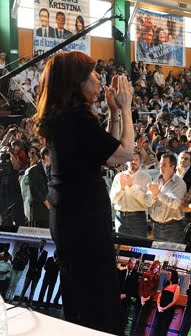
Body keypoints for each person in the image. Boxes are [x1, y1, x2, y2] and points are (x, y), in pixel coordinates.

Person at [32, 52, 134, 334]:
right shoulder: (76, 118)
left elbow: (103, 153)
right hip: (83, 222)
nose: (99, 78)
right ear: (76, 83)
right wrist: (126, 108)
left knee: (80, 298)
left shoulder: (66, 116)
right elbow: (123, 153)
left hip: (70, 219)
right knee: (97, 303)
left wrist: (113, 113)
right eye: (92, 75)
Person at [145, 153, 187, 243]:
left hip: (173, 228)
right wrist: (154, 195)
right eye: (160, 164)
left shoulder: (179, 183)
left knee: (172, 255)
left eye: (164, 165)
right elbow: (147, 202)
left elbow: (175, 204)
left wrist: (158, 193)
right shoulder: (156, 180)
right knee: (158, 255)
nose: (161, 167)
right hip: (156, 226)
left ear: (172, 166)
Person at [110, 152, 152, 239]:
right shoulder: (118, 176)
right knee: (121, 248)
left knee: (139, 247)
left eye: (136, 160)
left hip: (138, 218)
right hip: (120, 217)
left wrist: (131, 186)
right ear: (126, 161)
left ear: (140, 162)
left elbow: (147, 202)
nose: (133, 161)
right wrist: (121, 188)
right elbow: (113, 200)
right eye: (131, 159)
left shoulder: (146, 177)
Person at [132, 260, 161, 336]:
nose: (156, 269)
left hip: (148, 301)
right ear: (153, 266)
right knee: (135, 318)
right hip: (140, 299)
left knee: (143, 320)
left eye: (158, 268)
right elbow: (140, 287)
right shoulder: (145, 274)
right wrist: (141, 297)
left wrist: (148, 297)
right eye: (155, 267)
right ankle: (132, 333)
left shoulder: (157, 277)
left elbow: (154, 290)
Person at [26, 147, 51, 228]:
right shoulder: (34, 170)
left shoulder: (52, 169)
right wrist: (46, 202)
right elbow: (34, 189)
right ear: (46, 156)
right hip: (39, 209)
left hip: (51, 209)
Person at [18, 239, 47, 306]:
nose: (42, 244)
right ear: (39, 244)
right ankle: (20, 301)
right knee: (25, 287)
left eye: (43, 244)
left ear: (45, 245)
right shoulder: (34, 250)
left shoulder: (45, 253)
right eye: (41, 243)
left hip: (37, 273)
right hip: (30, 272)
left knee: (33, 289)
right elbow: (31, 260)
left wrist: (37, 268)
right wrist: (33, 268)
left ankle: (29, 303)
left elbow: (43, 263)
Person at [154, 270, 180, 336]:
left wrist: (165, 308)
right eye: (167, 274)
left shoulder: (176, 287)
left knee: (163, 329)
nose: (167, 275)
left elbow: (174, 301)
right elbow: (159, 297)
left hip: (168, 311)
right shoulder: (165, 286)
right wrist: (159, 307)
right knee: (156, 328)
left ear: (173, 276)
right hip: (159, 310)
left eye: (169, 274)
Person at [118, 257, 140, 334]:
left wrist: (126, 295)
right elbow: (117, 284)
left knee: (124, 318)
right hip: (118, 298)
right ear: (128, 263)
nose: (133, 265)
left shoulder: (136, 275)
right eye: (131, 263)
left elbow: (134, 289)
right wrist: (119, 294)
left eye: (134, 264)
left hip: (127, 300)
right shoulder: (121, 272)